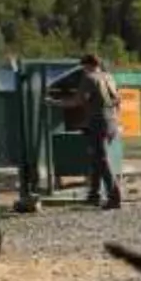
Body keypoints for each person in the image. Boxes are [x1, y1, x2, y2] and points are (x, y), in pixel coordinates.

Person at [49, 53, 123, 210]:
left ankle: (115, 196)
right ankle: (94, 195)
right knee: (96, 158)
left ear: (87, 65)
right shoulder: (108, 77)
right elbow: (118, 100)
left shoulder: (89, 78)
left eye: (83, 67)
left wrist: (53, 102)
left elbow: (76, 101)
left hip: (98, 123)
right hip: (111, 122)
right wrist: (115, 121)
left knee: (101, 159)